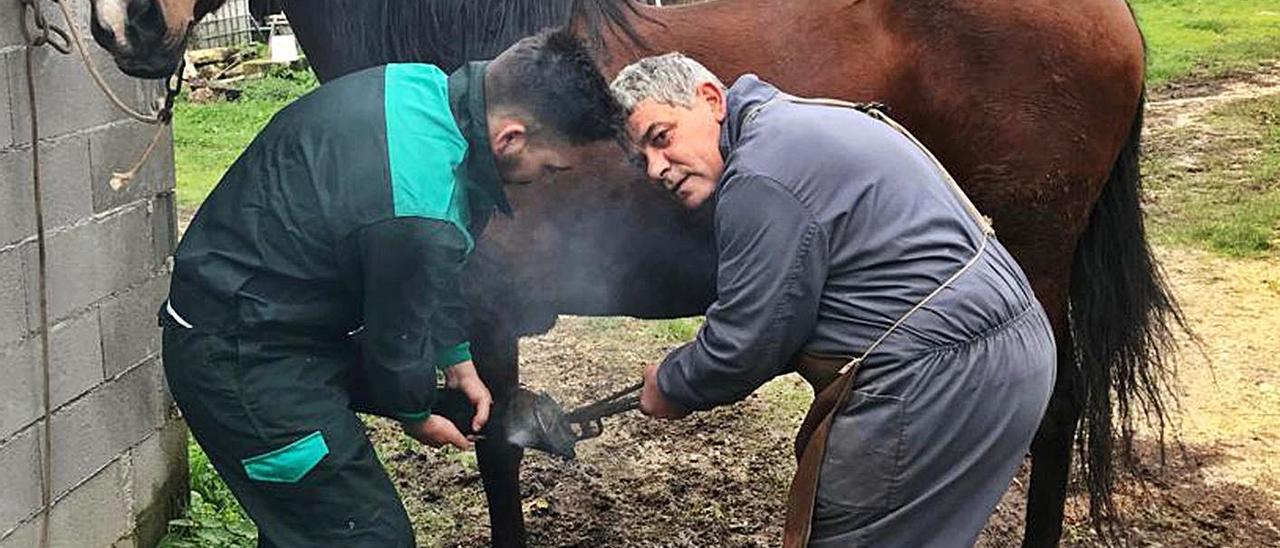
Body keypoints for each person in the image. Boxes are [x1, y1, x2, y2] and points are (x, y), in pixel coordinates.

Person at [159, 29, 622, 547]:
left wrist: (456, 359)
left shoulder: (422, 91)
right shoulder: (419, 215)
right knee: (368, 537)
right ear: (510, 138)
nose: (547, 179)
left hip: (270, 322)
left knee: (311, 528)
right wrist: (417, 414)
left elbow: (429, 273)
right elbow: (394, 340)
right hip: (241, 360)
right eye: (551, 166)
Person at [613, 53, 1056, 547]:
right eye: (640, 160)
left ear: (712, 100)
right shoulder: (797, 122)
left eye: (661, 137)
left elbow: (743, 344)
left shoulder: (760, 177)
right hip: (1014, 351)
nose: (655, 169)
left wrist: (671, 384)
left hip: (940, 375)